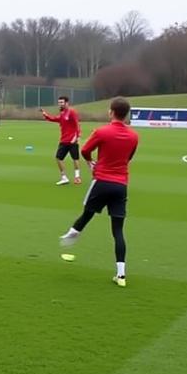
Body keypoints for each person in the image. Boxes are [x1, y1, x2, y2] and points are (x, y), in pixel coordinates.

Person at [58, 97, 140, 287]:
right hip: (121, 185)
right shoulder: (134, 136)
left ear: (111, 111)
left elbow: (85, 150)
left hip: (102, 180)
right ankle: (121, 275)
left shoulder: (102, 131)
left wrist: (91, 162)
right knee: (118, 231)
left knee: (88, 211)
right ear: (126, 114)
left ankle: (73, 233)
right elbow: (128, 158)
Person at [40, 95, 82, 185]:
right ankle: (64, 177)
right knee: (58, 158)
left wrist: (77, 137)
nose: (60, 104)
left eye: (62, 102)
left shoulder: (72, 112)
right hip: (63, 140)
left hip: (72, 140)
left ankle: (77, 177)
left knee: (75, 158)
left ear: (67, 103)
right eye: (59, 103)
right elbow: (56, 119)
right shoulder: (62, 113)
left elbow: (77, 124)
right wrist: (46, 116)